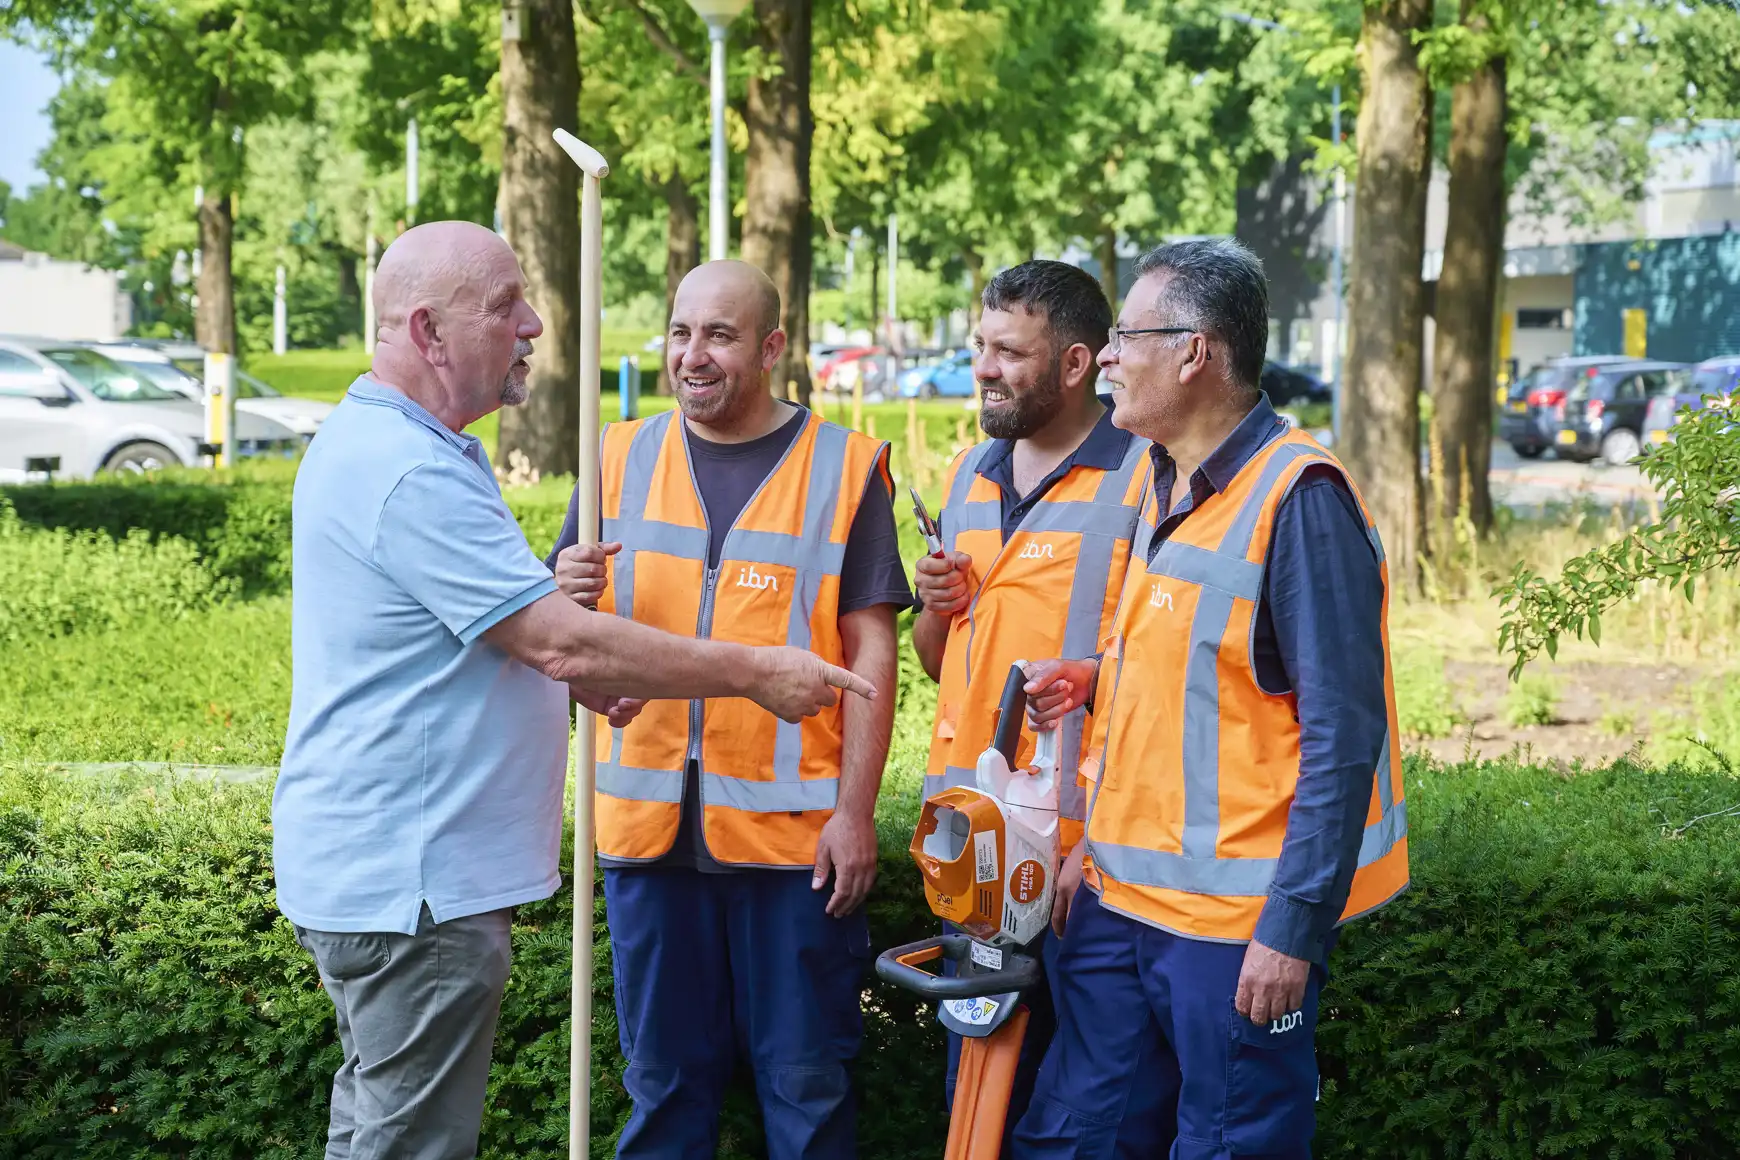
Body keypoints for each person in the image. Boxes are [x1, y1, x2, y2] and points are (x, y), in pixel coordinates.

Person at [274, 224, 873, 1160]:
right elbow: (557, 640)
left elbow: (503, 635)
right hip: (418, 889)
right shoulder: (408, 470)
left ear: (771, 348)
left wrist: (568, 651)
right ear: (430, 332)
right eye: (507, 305)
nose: (536, 324)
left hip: (423, 879)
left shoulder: (415, 450)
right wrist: (756, 671)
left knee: (378, 1131)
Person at [1010, 237, 1409, 1159]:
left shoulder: (1299, 497)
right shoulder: (1161, 477)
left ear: (1195, 351)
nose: (1104, 357)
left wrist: (1292, 931)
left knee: (1229, 1143)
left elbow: (1343, 740)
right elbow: (1208, 675)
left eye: (1125, 336)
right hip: (1117, 899)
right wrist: (1099, 692)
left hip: (1230, 932)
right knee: (1077, 1135)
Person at [548, 259, 911, 1159]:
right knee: (663, 1089)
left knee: (807, 1088)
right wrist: (561, 588)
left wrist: (855, 813)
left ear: (772, 346)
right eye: (680, 333)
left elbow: (872, 651)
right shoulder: (616, 457)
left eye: (718, 335)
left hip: (794, 847)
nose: (692, 355)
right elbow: (557, 633)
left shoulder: (846, 467)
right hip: (645, 834)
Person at [909, 259, 1160, 1148]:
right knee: (975, 1101)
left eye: (1009, 351)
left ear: (1076, 363)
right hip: (976, 853)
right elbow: (941, 664)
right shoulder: (974, 470)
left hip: (1078, 856)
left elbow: (1158, 673)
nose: (984, 366)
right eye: (982, 345)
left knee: (1086, 1112)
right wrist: (936, 611)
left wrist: (1084, 839)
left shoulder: (1145, 478)